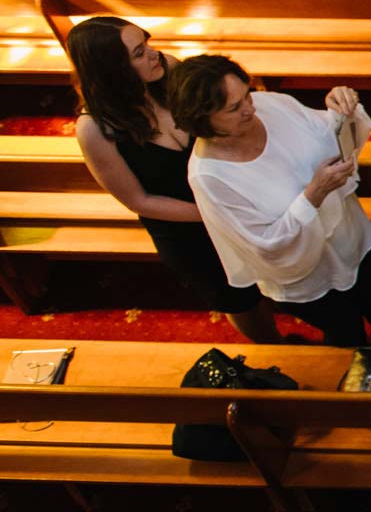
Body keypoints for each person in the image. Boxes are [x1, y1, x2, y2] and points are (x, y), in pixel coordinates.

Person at [171, 56, 371, 349]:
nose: (250, 108)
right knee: (347, 341)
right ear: (203, 120)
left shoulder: (270, 105)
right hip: (309, 278)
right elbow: (265, 244)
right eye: (234, 108)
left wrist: (341, 108)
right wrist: (312, 196)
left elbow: (332, 136)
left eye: (246, 95)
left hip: (351, 239)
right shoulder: (210, 176)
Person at [65, 20, 281, 343]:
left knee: (275, 277)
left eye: (147, 43)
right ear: (113, 70)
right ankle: (275, 348)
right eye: (140, 53)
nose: (155, 54)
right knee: (239, 299)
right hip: (186, 230)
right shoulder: (95, 129)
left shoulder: (170, 71)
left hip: (235, 200)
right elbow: (140, 201)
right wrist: (212, 214)